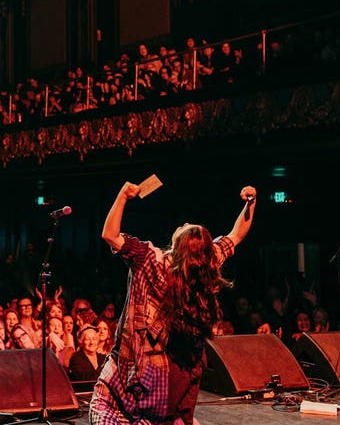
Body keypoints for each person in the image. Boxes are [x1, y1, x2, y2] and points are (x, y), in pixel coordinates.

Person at [89, 182, 256, 425]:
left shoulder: (150, 261)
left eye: (187, 227)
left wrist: (123, 195)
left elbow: (109, 235)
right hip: (181, 369)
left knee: (108, 410)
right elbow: (236, 234)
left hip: (143, 365)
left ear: (180, 246)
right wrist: (251, 203)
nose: (185, 223)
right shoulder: (206, 264)